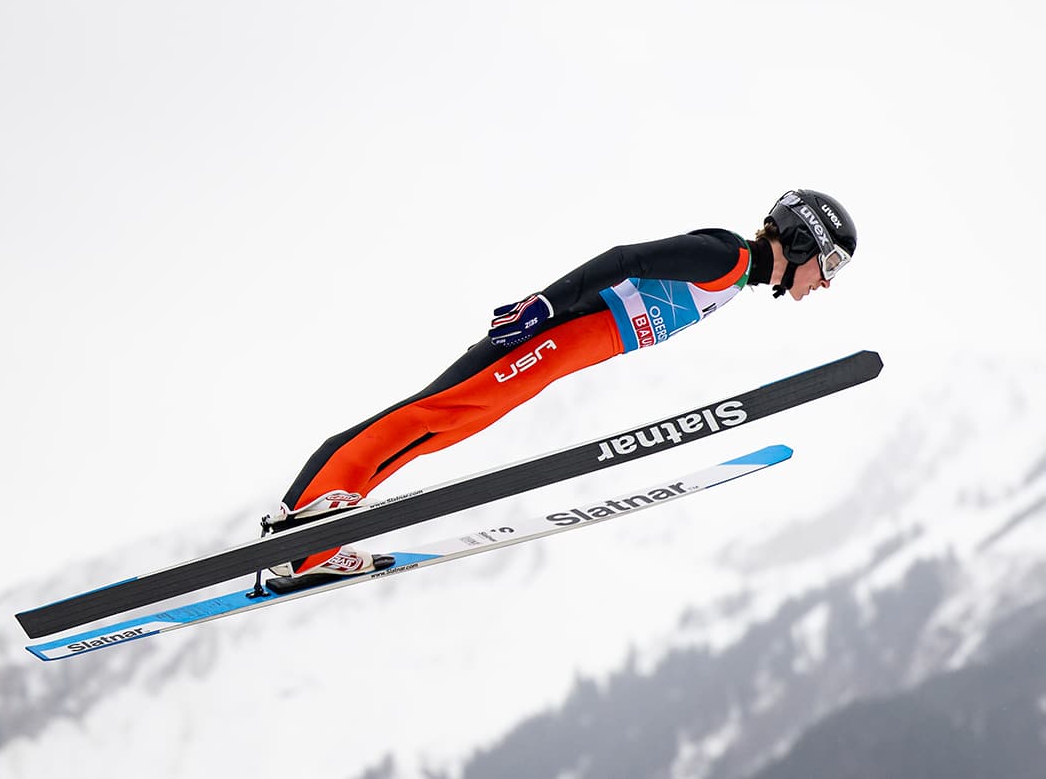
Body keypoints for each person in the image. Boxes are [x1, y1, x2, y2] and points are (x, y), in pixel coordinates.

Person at [265, 189, 859, 579]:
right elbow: (626, 260)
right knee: (437, 415)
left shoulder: (734, 273)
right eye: (829, 265)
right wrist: (544, 305)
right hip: (551, 337)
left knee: (441, 424)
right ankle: (305, 528)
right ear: (804, 239)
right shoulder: (725, 257)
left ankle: (310, 540)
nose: (825, 283)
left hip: (559, 351)